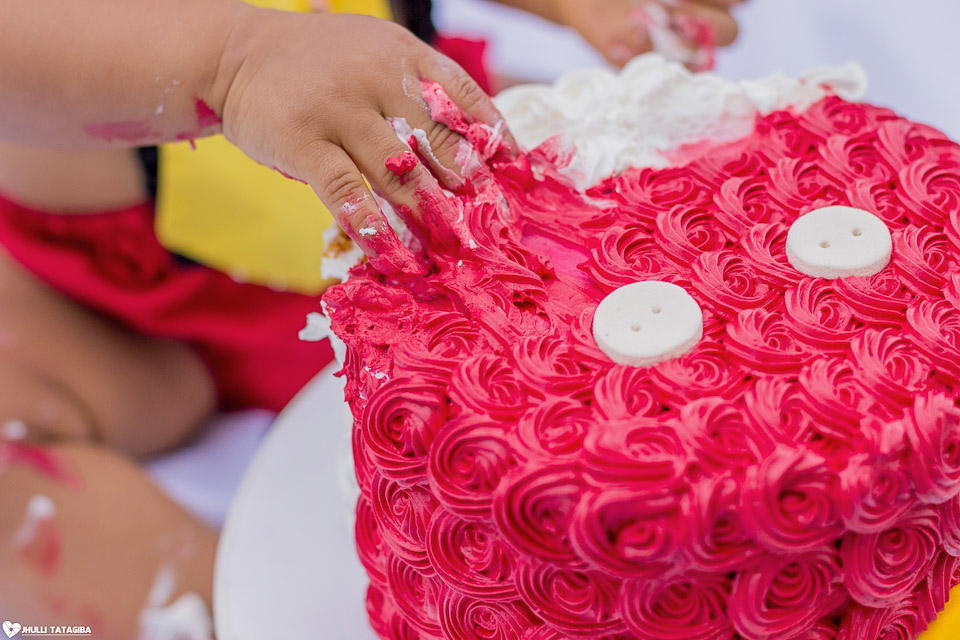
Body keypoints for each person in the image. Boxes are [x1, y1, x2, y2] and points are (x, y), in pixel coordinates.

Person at [0, 0, 742, 637]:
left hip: (419, 192)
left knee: (643, 192)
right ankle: (232, 606)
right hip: (110, 308)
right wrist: (231, 60)